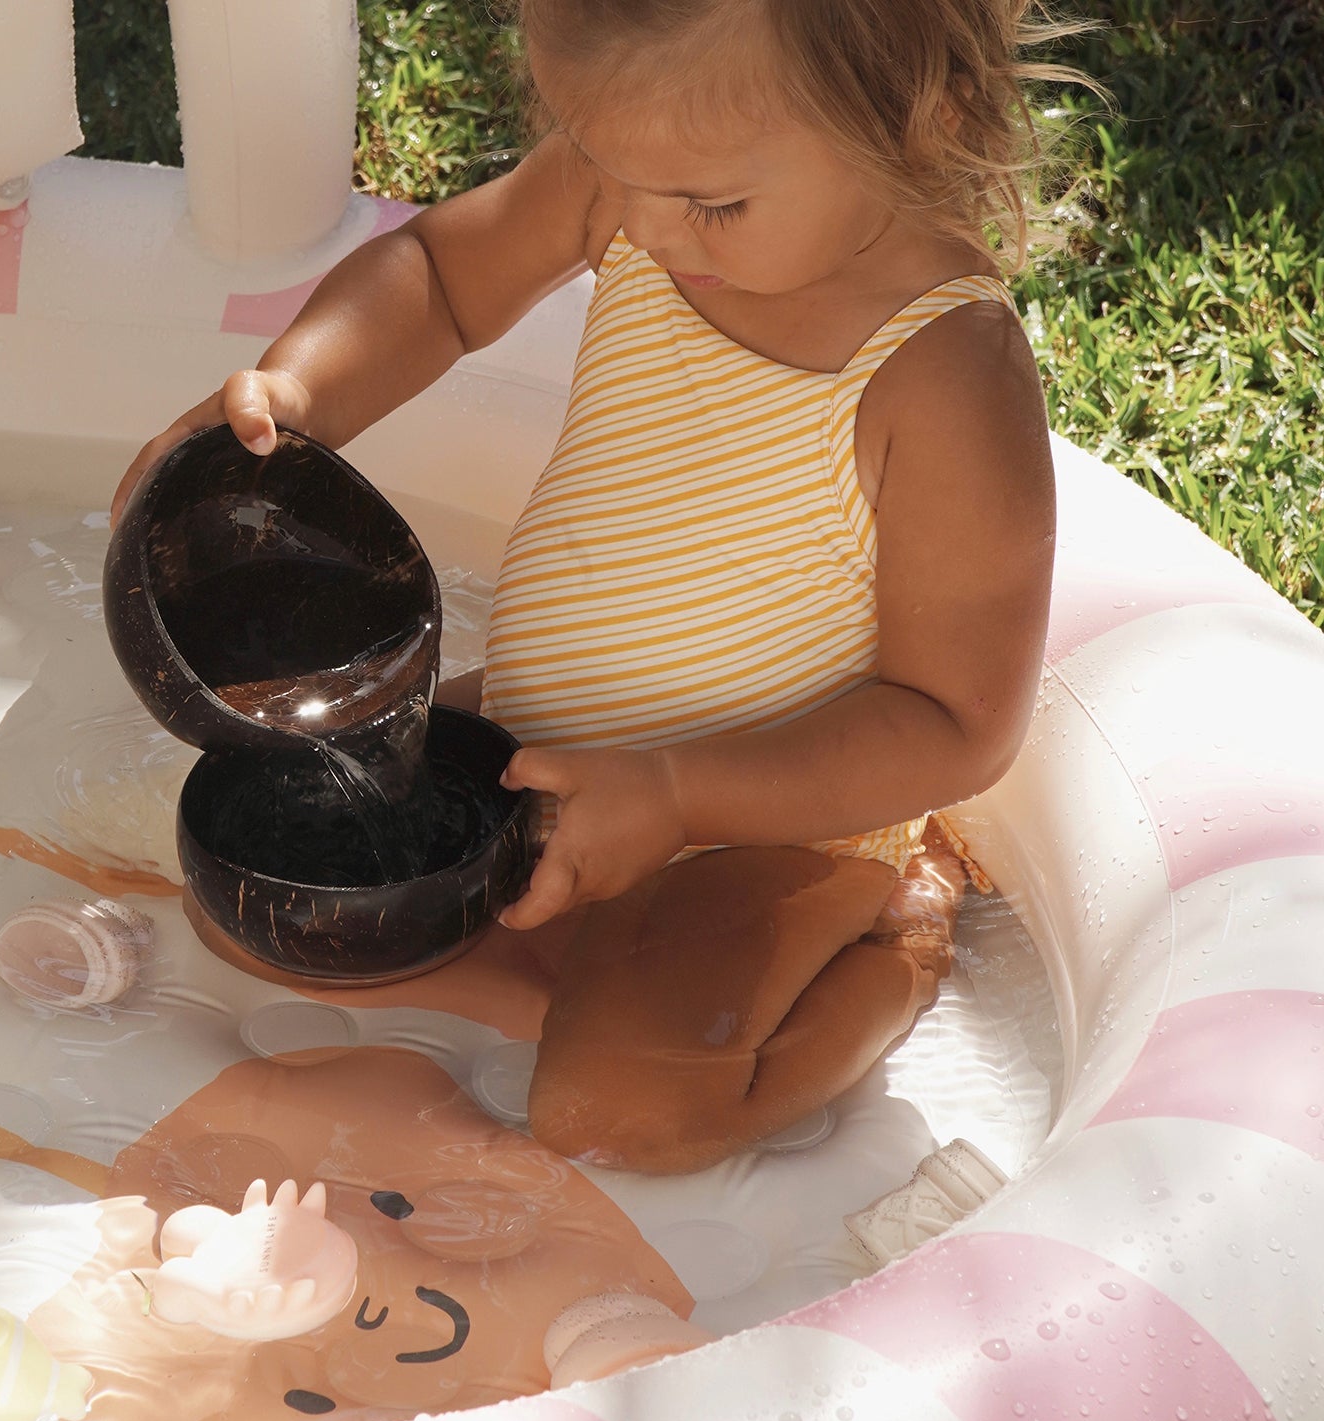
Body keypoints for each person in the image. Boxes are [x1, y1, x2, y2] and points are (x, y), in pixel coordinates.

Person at [113, 0, 1063, 1175]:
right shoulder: (652, 174)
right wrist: (296, 395)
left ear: (923, 116)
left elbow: (955, 720)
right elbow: (437, 275)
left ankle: (897, 939)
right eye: (613, 172)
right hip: (545, 734)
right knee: (264, 908)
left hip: (763, 820)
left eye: (710, 204)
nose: (649, 231)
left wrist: (673, 794)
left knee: (615, 1112)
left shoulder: (941, 377)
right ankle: (579, 944)